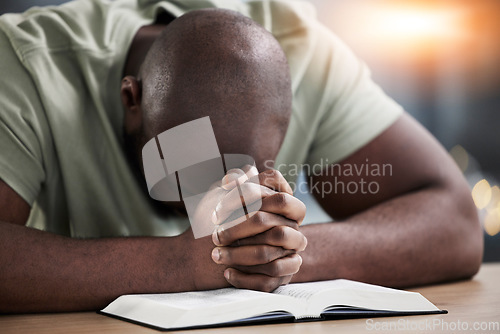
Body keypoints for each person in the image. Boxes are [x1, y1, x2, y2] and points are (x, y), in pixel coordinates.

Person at [0, 0, 482, 313]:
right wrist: (180, 265)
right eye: (192, 172)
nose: (220, 197)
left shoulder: (308, 56)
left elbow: (456, 224)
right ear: (132, 101)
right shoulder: (26, 65)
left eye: (248, 169)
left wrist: (273, 253)